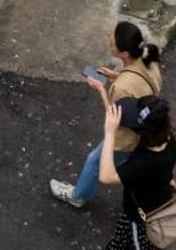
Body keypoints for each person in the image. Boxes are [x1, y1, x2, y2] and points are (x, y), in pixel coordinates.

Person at [71, 90, 176, 250]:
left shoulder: (144, 163)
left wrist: (109, 132)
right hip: (149, 202)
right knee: (124, 234)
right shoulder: (169, 138)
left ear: (144, 132)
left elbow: (106, 176)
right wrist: (105, 92)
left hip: (146, 218)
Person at [50, 21, 164, 207]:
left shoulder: (121, 88)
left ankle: (77, 196)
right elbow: (139, 83)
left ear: (124, 53)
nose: (109, 42)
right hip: (147, 122)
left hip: (128, 138)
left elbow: (114, 115)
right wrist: (116, 75)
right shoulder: (148, 56)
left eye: (112, 43)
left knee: (94, 161)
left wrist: (101, 89)